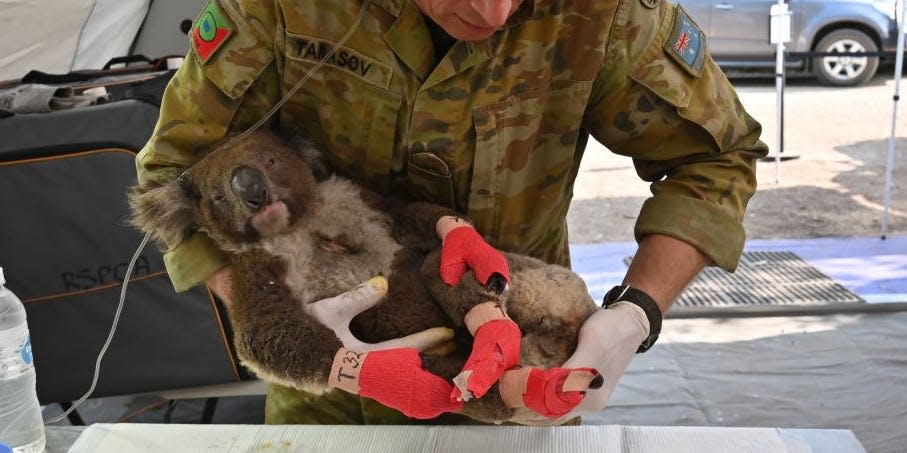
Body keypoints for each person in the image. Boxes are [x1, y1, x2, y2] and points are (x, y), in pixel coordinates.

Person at [135, 0, 768, 425]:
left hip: (528, 356)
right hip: (332, 407)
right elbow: (175, 173)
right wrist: (282, 312)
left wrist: (636, 313)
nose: (490, 11)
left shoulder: (608, 12)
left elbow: (714, 158)